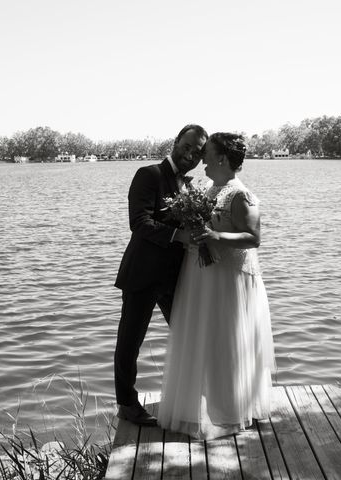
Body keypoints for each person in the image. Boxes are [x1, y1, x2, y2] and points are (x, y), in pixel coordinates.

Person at [158, 132, 275, 440]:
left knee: (225, 341)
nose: (202, 160)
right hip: (201, 277)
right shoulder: (209, 188)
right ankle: (202, 405)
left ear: (221, 159)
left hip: (228, 282)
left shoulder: (240, 194)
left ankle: (229, 410)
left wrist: (216, 237)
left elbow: (254, 238)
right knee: (202, 339)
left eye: (207, 154)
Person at [114, 124, 208, 425]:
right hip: (142, 274)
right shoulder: (149, 175)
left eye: (197, 152)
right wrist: (179, 236)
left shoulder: (191, 186)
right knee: (131, 342)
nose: (191, 154)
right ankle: (127, 404)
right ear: (176, 142)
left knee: (188, 336)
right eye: (188, 146)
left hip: (176, 278)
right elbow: (139, 223)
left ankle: (192, 395)